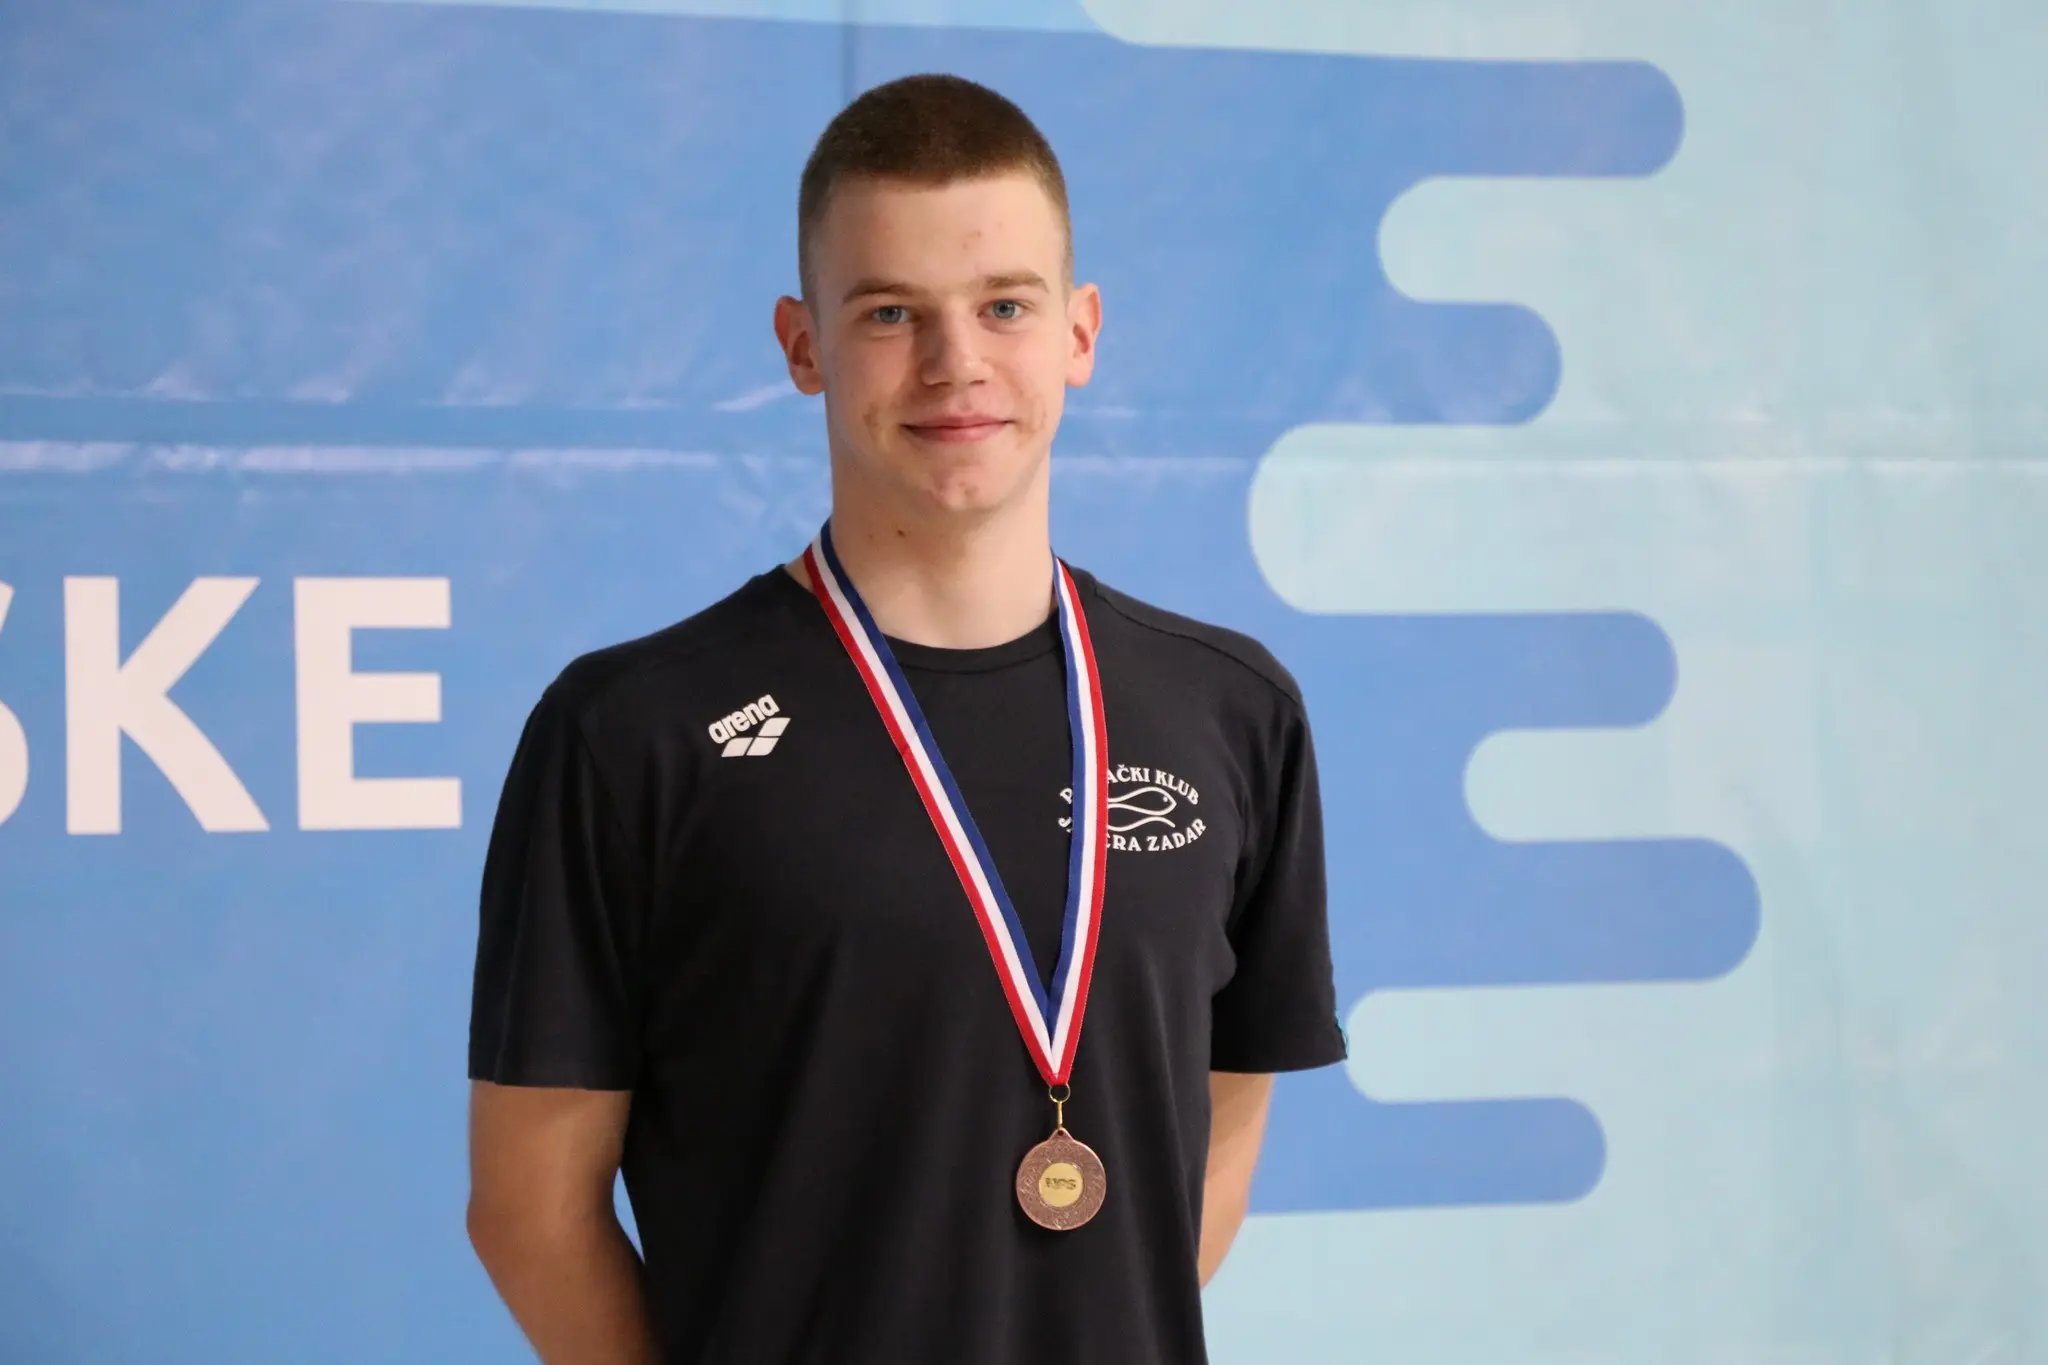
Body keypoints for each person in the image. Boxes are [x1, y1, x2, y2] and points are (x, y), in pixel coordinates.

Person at [464, 72, 1345, 1365]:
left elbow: (1219, 1126)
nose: (955, 363)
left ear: (1081, 333)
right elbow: (529, 1215)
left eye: (1004, 307)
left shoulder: (1232, 712)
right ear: (802, 346)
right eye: (890, 313)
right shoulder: (630, 734)